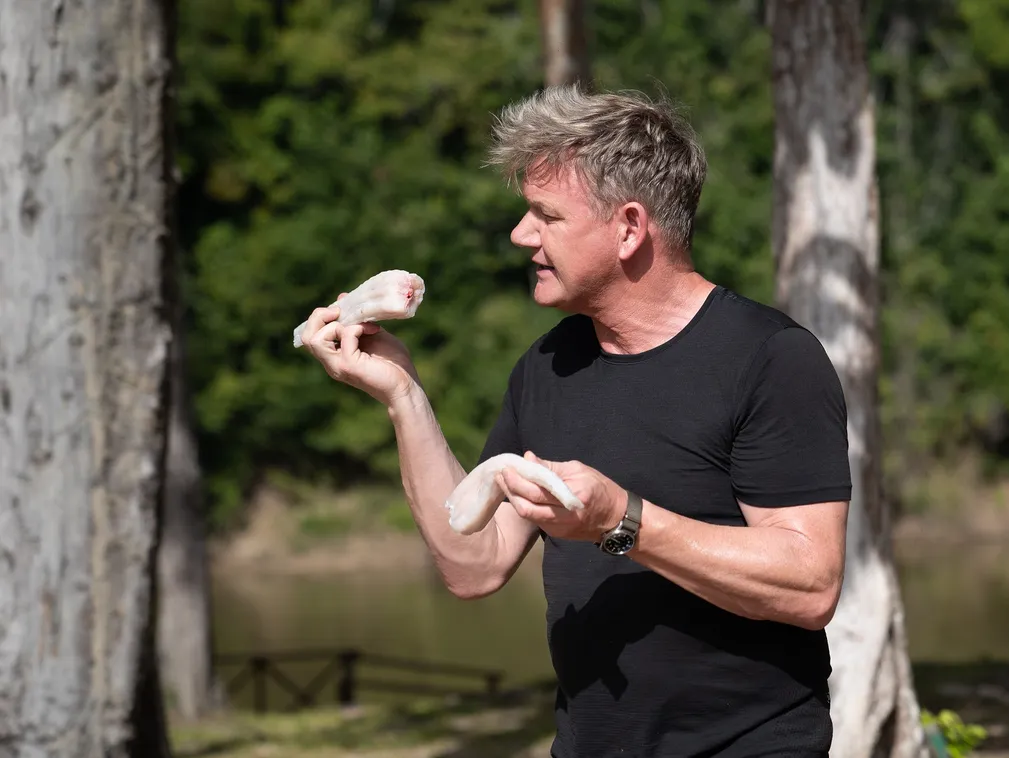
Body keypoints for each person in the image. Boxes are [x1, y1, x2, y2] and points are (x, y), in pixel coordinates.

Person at [298, 85, 851, 758]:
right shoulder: (549, 364)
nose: (520, 234)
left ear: (627, 227)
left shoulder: (770, 357)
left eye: (544, 215)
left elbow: (810, 582)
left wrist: (622, 521)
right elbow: (474, 563)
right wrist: (401, 395)